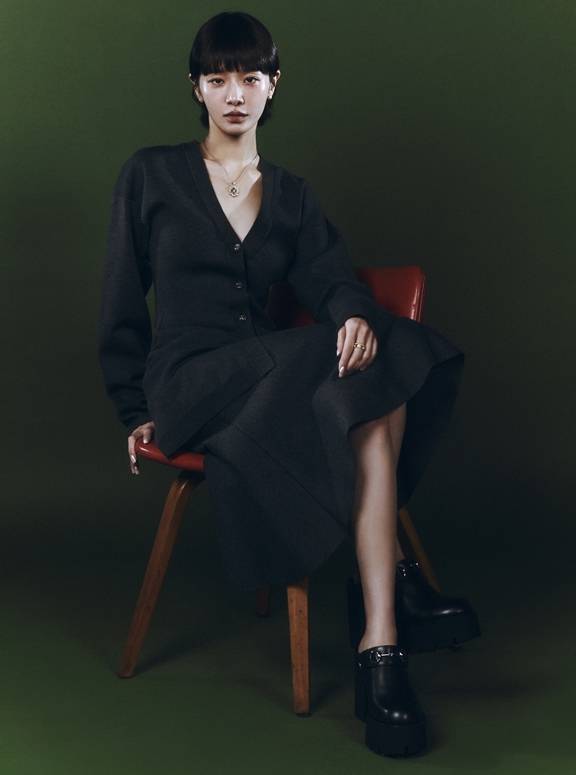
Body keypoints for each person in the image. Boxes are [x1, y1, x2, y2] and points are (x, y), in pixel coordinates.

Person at [96, 10, 481, 758]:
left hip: (269, 388)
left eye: (250, 77)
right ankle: (399, 590)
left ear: (274, 85)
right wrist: (132, 408)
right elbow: (119, 303)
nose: (234, 94)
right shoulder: (151, 174)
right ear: (196, 89)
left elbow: (330, 277)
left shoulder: (293, 196)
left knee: (368, 389)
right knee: (377, 356)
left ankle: (381, 643)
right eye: (217, 79)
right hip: (190, 384)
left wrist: (353, 313)